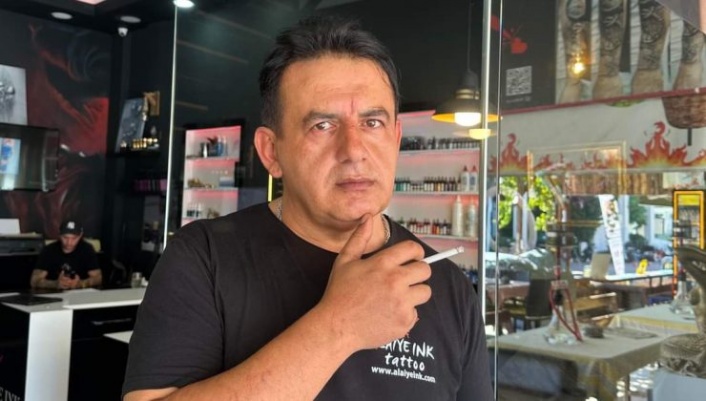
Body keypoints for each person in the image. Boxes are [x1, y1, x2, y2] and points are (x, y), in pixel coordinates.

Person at [123, 15, 492, 401]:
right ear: (271, 151)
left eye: (372, 123)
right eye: (323, 126)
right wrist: (339, 325)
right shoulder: (203, 258)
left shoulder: (447, 285)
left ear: (396, 139)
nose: (354, 151)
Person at [30, 220, 102, 290]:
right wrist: (55, 284)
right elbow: (34, 281)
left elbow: (98, 278)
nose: (69, 242)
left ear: (80, 236)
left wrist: (80, 283)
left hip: (80, 294)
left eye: (74, 238)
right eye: (65, 237)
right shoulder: (49, 250)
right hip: (53, 294)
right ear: (59, 235)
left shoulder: (87, 249)